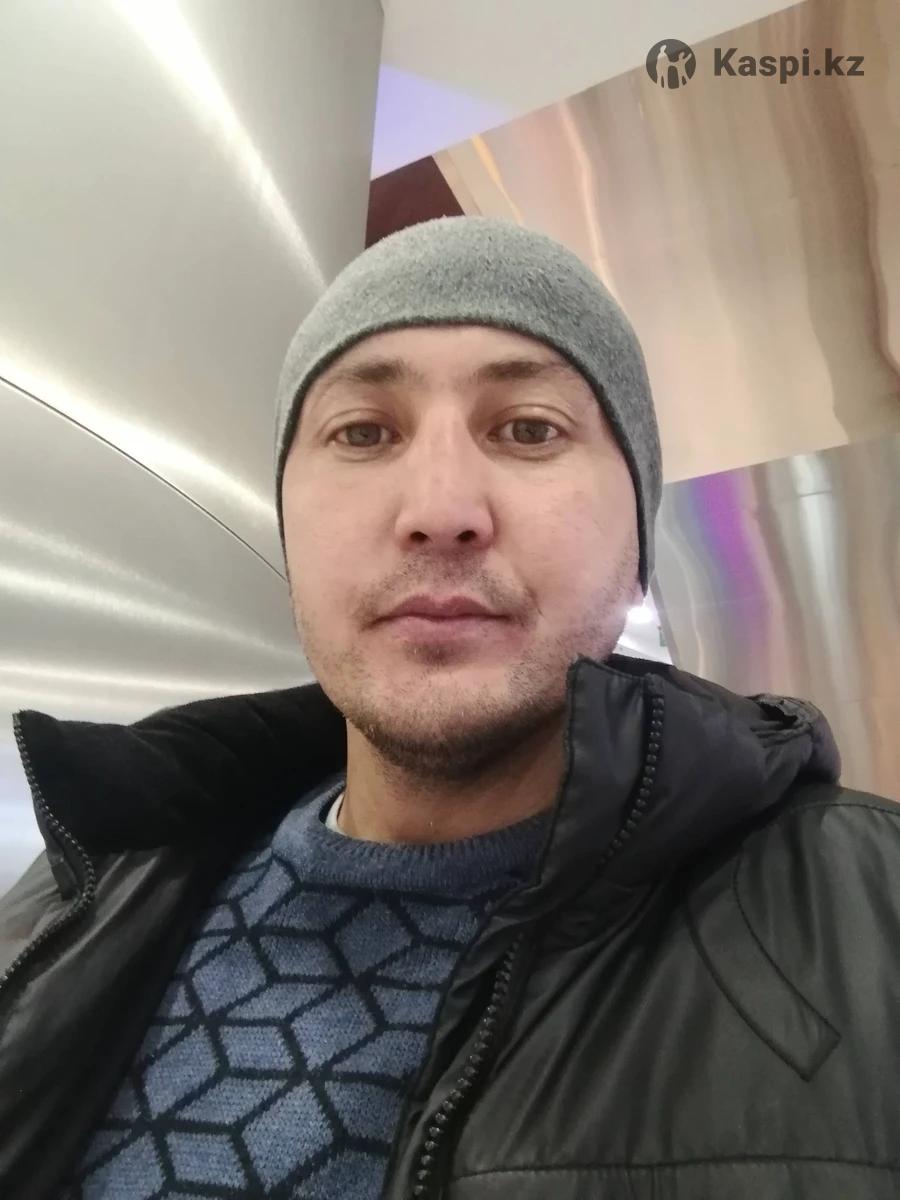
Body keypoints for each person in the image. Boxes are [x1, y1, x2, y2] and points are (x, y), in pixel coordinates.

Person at [1, 217, 897, 1200]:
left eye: (529, 429)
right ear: (291, 524)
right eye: (363, 433)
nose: (439, 509)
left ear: (638, 542)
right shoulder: (84, 892)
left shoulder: (868, 918)